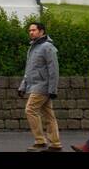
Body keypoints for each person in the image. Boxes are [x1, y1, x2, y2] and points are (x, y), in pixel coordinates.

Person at [18, 21, 61, 151]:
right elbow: (29, 70)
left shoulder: (47, 47)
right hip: (35, 85)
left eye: (34, 30)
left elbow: (54, 70)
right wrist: (22, 86)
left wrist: (53, 89)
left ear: (41, 31)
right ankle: (55, 143)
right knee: (49, 115)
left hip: (42, 86)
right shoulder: (33, 47)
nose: (31, 32)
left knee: (30, 110)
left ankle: (40, 141)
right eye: (29, 30)